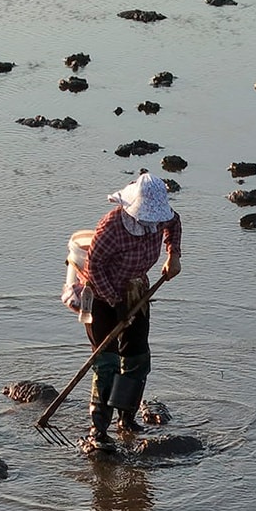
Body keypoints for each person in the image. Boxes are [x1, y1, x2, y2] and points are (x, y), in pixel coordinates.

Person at [72, 170, 182, 457]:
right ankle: (99, 431)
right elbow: (94, 269)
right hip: (99, 295)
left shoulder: (160, 219)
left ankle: (127, 418)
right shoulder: (112, 227)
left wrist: (173, 255)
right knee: (106, 362)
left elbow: (174, 223)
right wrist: (115, 304)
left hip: (136, 291)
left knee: (136, 359)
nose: (153, 223)